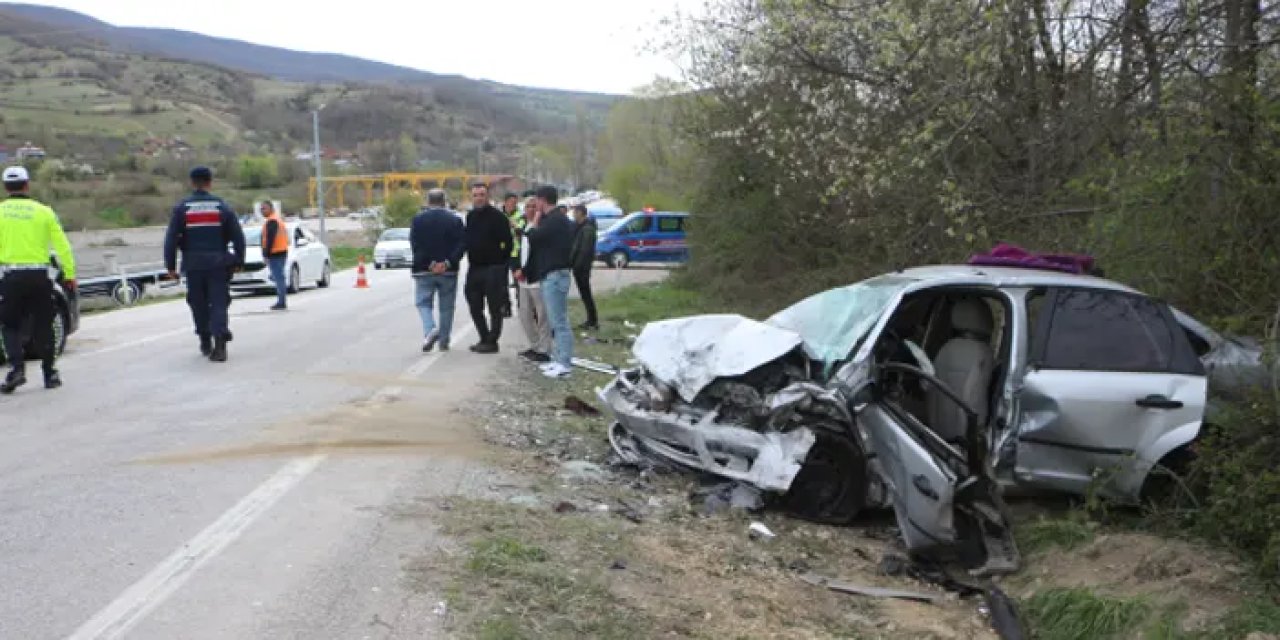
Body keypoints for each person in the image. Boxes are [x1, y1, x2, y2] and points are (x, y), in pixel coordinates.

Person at [0, 166, 76, 393]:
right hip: (39, 276)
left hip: (10, 276)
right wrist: (70, 274)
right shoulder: (44, 211)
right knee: (44, 325)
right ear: (27, 185)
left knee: (9, 325)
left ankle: (17, 370)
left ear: (5, 187)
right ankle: (50, 373)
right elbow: (63, 246)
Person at [164, 166, 246, 362]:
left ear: (192, 183)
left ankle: (204, 338)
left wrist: (171, 266)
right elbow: (238, 237)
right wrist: (239, 260)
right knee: (218, 302)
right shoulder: (222, 207)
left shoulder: (182, 208)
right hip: (218, 264)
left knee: (197, 303)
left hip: (193, 265)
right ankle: (220, 345)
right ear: (210, 183)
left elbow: (171, 239)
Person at [524, 185, 575, 379]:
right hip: (552, 274)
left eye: (536, 200)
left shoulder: (554, 221)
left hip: (555, 275)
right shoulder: (556, 220)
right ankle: (558, 359)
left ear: (542, 200)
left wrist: (535, 220)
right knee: (555, 321)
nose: (535, 204)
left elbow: (532, 236)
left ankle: (565, 363)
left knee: (559, 321)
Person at [410, 188, 466, 352]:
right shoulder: (455, 220)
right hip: (448, 271)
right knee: (446, 307)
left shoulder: (418, 220)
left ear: (428, 201)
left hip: (423, 270)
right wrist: (447, 263)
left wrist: (430, 264)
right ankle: (444, 341)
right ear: (444, 201)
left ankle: (430, 329)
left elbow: (416, 245)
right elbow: (462, 244)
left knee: (423, 302)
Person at [462, 182, 512, 354]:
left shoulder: (498, 217)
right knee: (474, 304)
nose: (479, 198)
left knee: (494, 307)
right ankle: (483, 337)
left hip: (493, 268)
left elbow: (508, 243)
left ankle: (493, 340)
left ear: (487, 196)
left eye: (482, 194)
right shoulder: (470, 217)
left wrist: (500, 262)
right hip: (475, 267)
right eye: (475, 195)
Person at [513, 198, 551, 363]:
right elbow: (519, 251)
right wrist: (516, 268)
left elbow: (536, 256)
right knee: (524, 313)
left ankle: (544, 349)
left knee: (542, 314)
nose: (530, 209)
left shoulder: (540, 228)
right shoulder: (524, 228)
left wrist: (525, 270)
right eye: (527, 206)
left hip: (536, 277)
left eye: (534, 207)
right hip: (523, 278)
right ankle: (534, 344)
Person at [569, 204, 599, 330]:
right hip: (579, 266)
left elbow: (584, 250)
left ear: (580, 213)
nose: (573, 215)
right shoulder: (580, 227)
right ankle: (591, 319)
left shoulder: (587, 229)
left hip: (582, 267)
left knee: (586, 293)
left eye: (575, 213)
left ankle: (592, 320)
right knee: (584, 293)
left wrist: (577, 265)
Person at [260, 200, 289, 311]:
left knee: (278, 277)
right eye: (261, 209)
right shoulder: (276, 220)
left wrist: (266, 254)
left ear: (271, 209)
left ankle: (281, 302)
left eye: (264, 208)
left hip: (276, 252)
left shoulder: (272, 221)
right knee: (277, 276)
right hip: (281, 251)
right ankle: (281, 299)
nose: (262, 211)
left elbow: (270, 239)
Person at [501, 192, 522, 318]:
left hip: (516, 253)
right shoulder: (499, 215)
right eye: (511, 202)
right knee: (502, 282)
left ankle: (521, 305)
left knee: (518, 280)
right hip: (502, 253)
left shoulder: (520, 215)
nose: (513, 205)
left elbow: (522, 231)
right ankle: (505, 307)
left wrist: (513, 225)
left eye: (515, 203)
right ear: (505, 202)